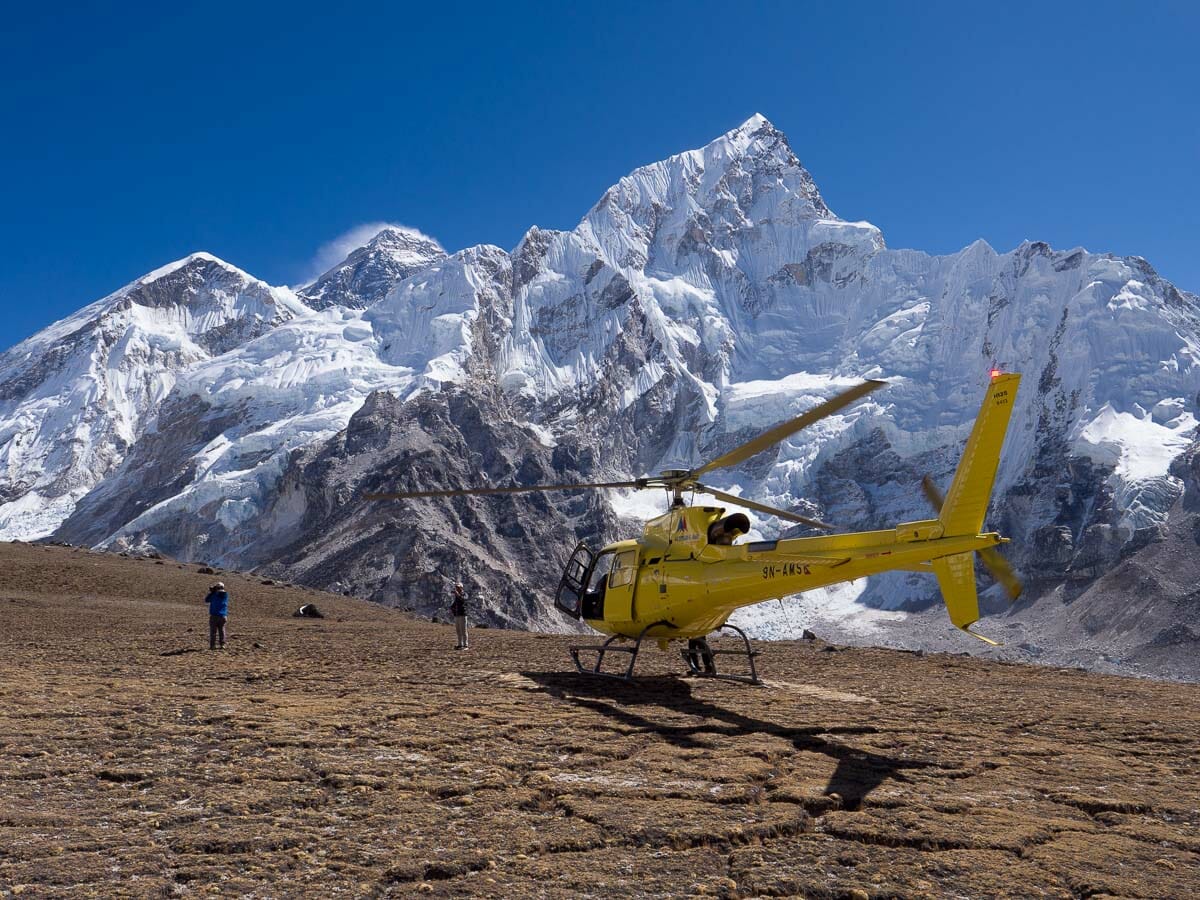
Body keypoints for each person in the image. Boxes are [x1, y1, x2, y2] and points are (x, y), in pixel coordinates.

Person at [205, 582, 230, 650]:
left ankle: (212, 646)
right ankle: (222, 644)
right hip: (223, 615)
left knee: (213, 631)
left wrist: (211, 592)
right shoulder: (225, 595)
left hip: (214, 615)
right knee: (222, 630)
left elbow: (206, 600)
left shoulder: (214, 595)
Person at [450, 582, 468, 650]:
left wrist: (457, 594)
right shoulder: (457, 596)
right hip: (457, 615)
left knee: (463, 630)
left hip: (463, 614)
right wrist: (452, 609)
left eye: (458, 587)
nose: (456, 588)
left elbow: (463, 600)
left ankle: (466, 645)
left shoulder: (464, 594)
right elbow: (454, 605)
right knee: (458, 630)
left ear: (461, 587)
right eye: (456, 587)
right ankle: (460, 645)